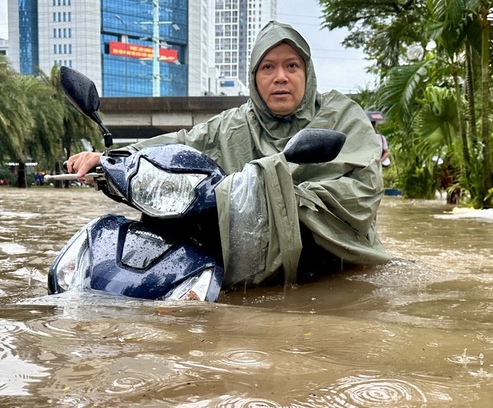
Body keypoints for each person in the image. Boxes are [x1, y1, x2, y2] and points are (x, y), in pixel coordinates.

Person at [66, 20, 389, 287]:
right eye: (268, 67)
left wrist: (292, 201)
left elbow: (364, 191)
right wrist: (116, 158)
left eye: (292, 65)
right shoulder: (235, 123)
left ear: (307, 73)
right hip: (245, 255)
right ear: (254, 78)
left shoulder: (342, 115)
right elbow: (184, 142)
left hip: (329, 260)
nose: (280, 77)